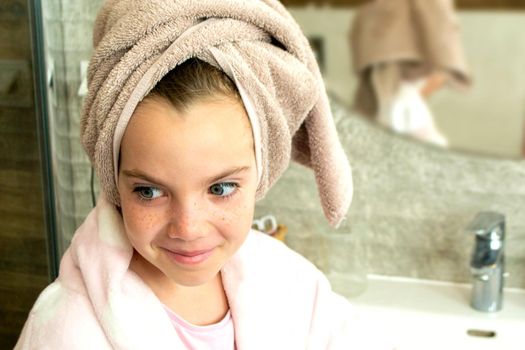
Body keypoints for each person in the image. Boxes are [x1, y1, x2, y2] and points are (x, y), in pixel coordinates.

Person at [16, 1, 390, 349]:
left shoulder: (297, 290)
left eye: (221, 188)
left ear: (261, 171)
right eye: (148, 191)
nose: (188, 228)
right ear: (115, 181)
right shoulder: (65, 330)